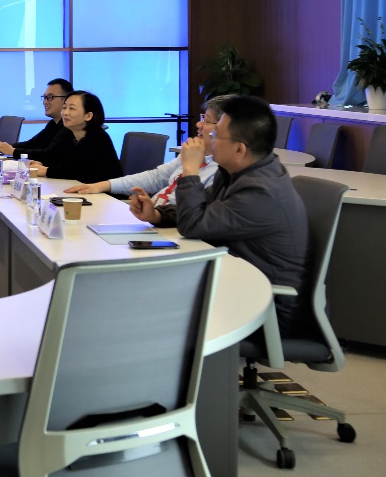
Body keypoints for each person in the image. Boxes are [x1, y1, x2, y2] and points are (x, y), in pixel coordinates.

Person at [128, 95, 309, 334]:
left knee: (148, 313)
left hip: (266, 307)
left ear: (239, 149)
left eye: (216, 135)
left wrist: (190, 170)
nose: (210, 138)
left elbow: (193, 225)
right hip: (234, 284)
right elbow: (203, 209)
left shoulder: (261, 191)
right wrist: (157, 216)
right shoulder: (236, 172)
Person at [63, 95, 228, 203]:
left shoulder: (223, 171)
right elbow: (156, 177)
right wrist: (102, 185)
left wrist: (156, 215)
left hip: (170, 227)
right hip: (152, 217)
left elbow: (195, 214)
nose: (198, 124)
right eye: (202, 118)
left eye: (207, 121)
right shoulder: (194, 154)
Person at [22, 90, 122, 184]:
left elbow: (83, 173)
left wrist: (46, 171)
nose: (65, 113)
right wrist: (41, 164)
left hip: (106, 194)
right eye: (64, 107)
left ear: (88, 116)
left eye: (72, 108)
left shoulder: (98, 138)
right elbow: (62, 161)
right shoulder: (70, 134)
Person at [0, 78, 73, 157]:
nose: (45, 102)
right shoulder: (53, 124)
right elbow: (32, 144)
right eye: (44, 97)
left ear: (66, 99)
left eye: (50, 97)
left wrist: (13, 151)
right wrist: (5, 147)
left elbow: (49, 154)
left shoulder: (69, 126)